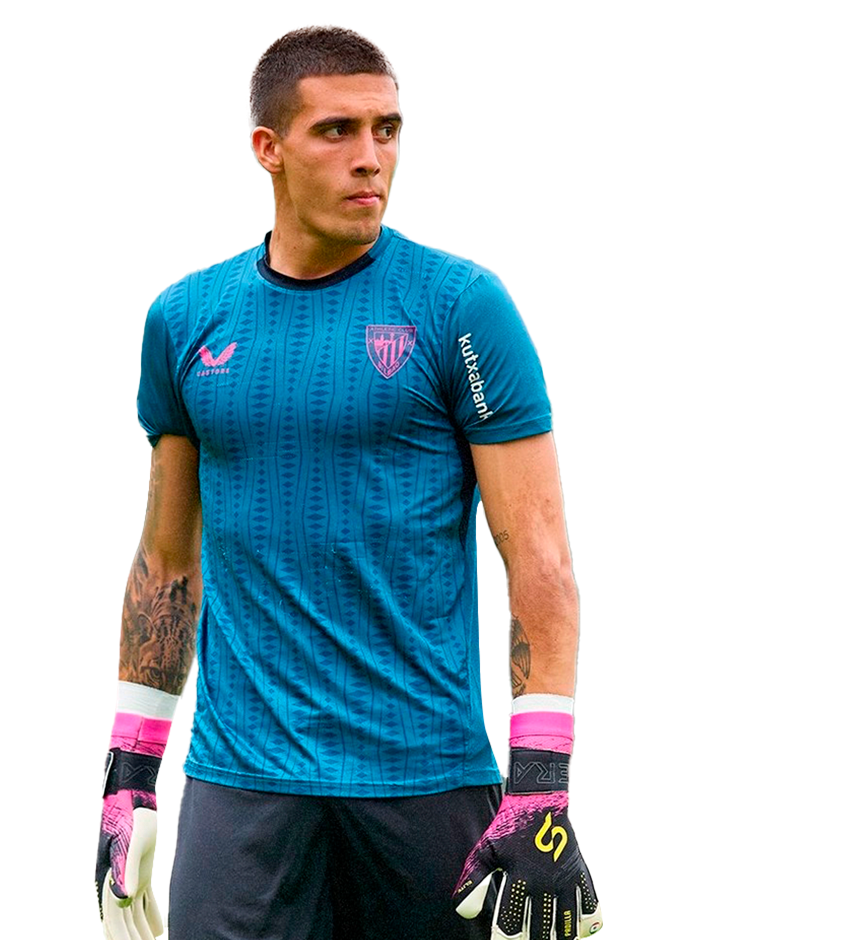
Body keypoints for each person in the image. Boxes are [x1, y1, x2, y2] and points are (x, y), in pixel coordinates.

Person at [96, 23, 603, 940]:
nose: (371, 157)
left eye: (387, 129)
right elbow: (165, 562)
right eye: (336, 130)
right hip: (239, 783)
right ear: (268, 148)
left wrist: (541, 783)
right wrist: (129, 772)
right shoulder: (183, 317)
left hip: (427, 778)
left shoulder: (461, 305)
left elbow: (537, 554)